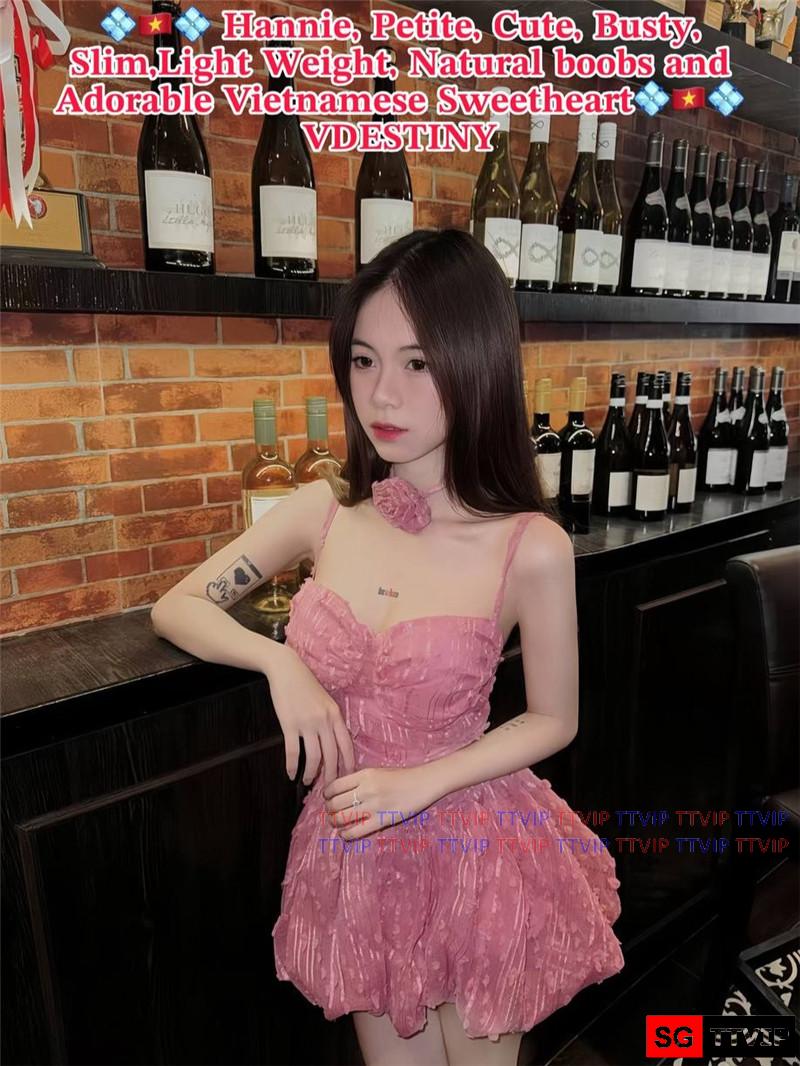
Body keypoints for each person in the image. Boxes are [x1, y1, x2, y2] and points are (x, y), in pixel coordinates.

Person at [151, 228, 624, 1066]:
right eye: (364, 360)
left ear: (475, 364)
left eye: (417, 363)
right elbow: (177, 606)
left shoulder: (530, 546)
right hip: (357, 845)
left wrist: (421, 782)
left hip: (472, 840)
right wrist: (281, 663)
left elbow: (554, 719)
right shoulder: (324, 513)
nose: (382, 394)